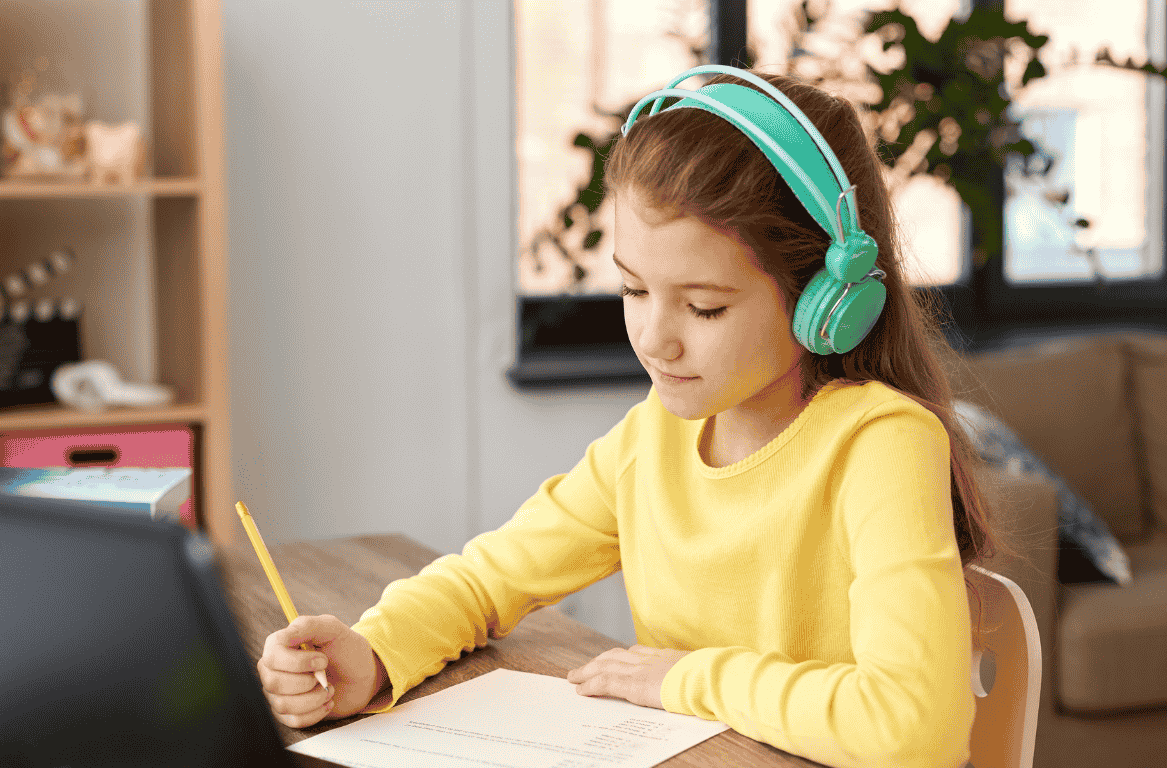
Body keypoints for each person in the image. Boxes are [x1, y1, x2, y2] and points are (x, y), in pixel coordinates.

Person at [257, 67, 1018, 768]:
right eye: (632, 290)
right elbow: (487, 580)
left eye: (705, 305)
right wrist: (374, 654)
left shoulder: (880, 446)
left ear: (828, 302)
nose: (655, 338)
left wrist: (686, 677)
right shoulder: (653, 437)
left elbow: (915, 726)